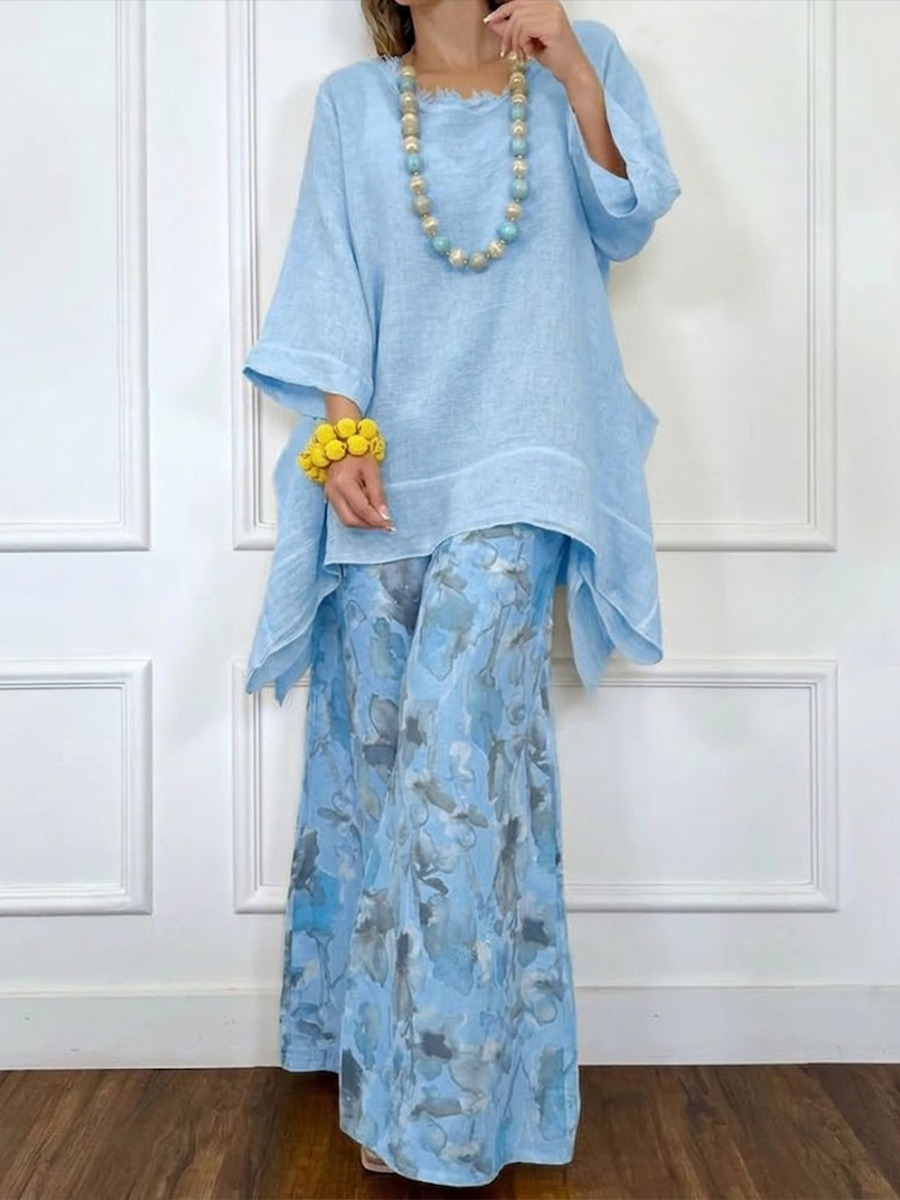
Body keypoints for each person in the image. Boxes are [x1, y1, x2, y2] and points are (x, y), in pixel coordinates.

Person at [241, 0, 681, 1186]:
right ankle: (418, 1071)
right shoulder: (352, 107)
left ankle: (442, 1118)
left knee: (456, 773)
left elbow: (631, 214)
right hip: (388, 472)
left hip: (527, 459)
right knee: (382, 766)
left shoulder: (574, 64)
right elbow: (329, 278)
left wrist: (571, 63)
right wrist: (342, 439)